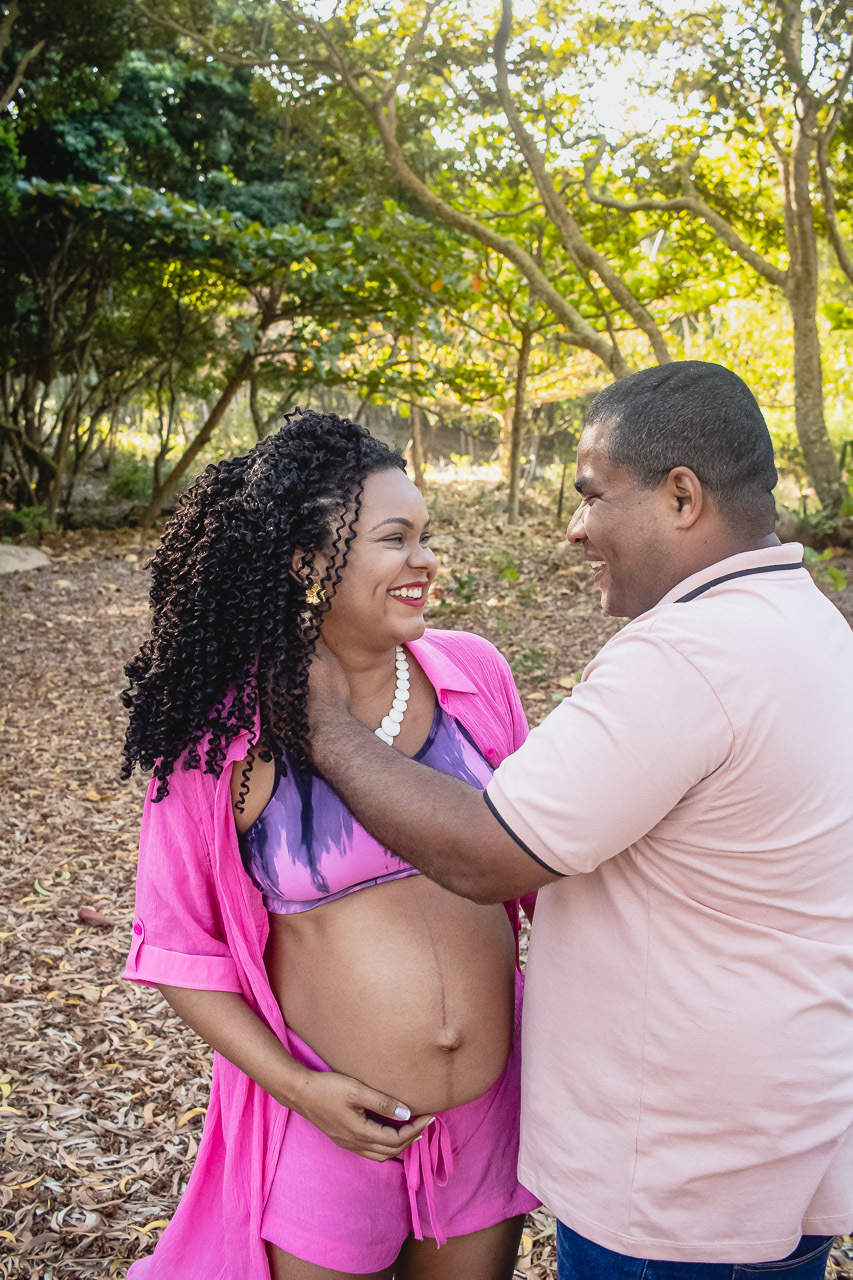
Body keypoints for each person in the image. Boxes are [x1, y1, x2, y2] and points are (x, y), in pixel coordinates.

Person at [306, 362, 853, 1280]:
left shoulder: (688, 656)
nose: (574, 528)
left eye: (592, 496)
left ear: (680, 495)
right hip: (779, 1135)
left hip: (677, 1179)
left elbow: (488, 855)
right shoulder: (811, 626)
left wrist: (322, 724)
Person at [120, 411, 538, 1280]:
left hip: (489, 1121)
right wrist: (302, 1091)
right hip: (328, 1126)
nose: (425, 560)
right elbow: (175, 948)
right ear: (309, 561)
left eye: (427, 536)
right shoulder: (225, 733)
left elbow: (540, 866)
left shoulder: (473, 677)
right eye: (396, 538)